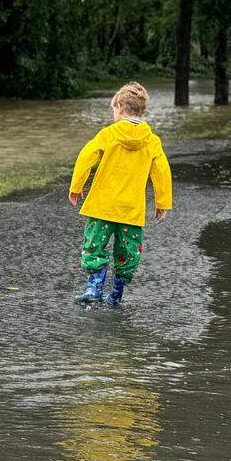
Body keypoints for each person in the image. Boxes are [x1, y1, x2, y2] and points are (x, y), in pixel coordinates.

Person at [69, 82, 173, 307]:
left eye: (113, 110)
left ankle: (94, 288)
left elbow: (86, 156)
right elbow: (162, 172)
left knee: (94, 245)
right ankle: (115, 295)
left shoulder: (108, 134)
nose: (113, 114)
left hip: (102, 206)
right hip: (131, 210)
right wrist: (162, 203)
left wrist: (76, 187)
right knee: (128, 252)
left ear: (120, 107)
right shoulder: (152, 141)